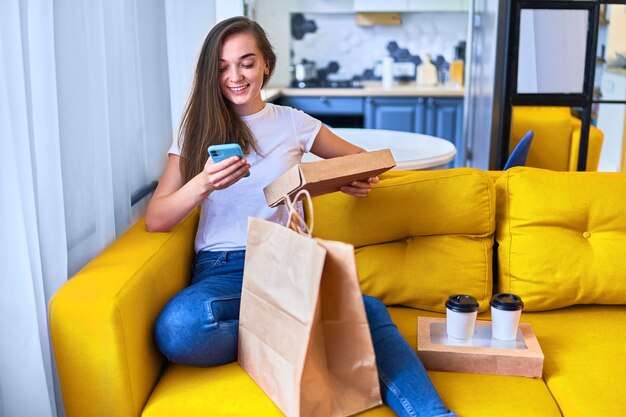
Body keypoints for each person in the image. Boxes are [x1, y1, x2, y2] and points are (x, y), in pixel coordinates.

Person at [146, 16, 458, 417]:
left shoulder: (293, 122)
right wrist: (203, 183)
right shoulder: (197, 127)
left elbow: (362, 163)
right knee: (179, 329)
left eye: (246, 62)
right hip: (221, 271)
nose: (235, 76)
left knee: (369, 311)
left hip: (282, 264)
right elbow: (157, 218)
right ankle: (311, 332)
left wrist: (349, 178)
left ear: (266, 66)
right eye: (223, 67)